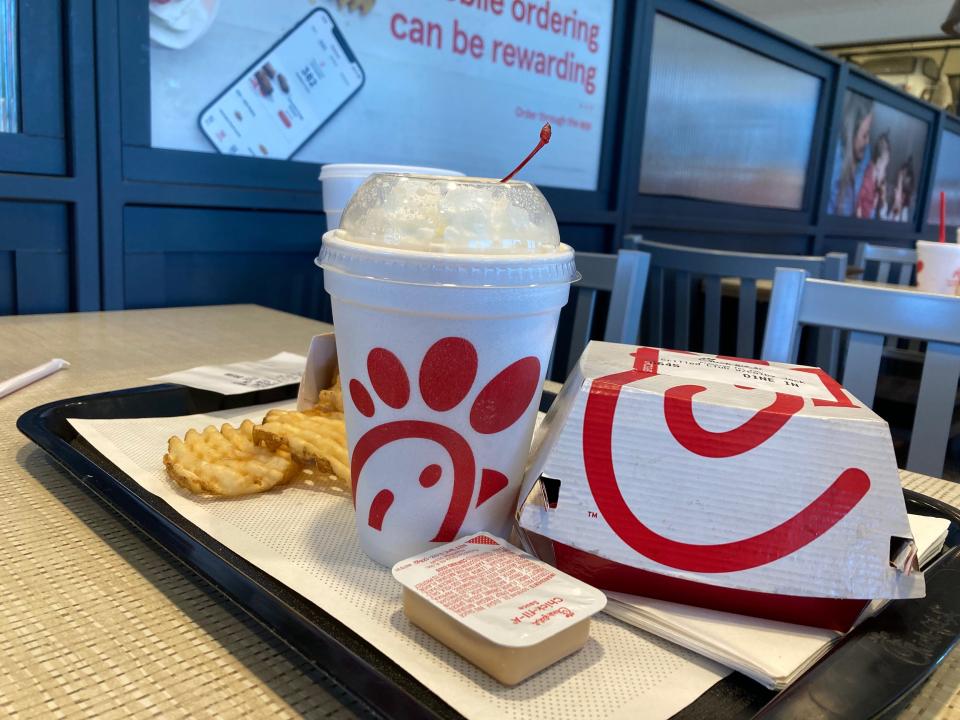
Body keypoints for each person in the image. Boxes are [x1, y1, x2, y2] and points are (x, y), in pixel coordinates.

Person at [828, 95, 874, 216]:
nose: (868, 141)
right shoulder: (834, 161)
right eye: (864, 135)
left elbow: (869, 205)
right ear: (851, 133)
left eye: (869, 134)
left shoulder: (866, 154)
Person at [856, 132, 890, 219]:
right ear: (878, 162)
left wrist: (882, 198)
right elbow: (858, 204)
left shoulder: (877, 181)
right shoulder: (867, 179)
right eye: (885, 166)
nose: (885, 172)